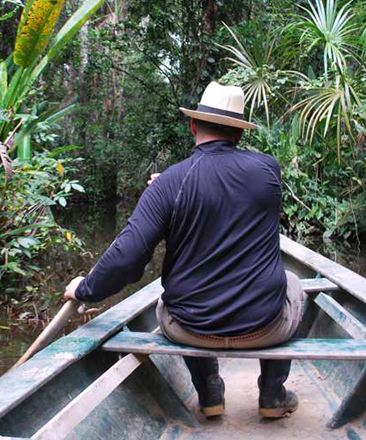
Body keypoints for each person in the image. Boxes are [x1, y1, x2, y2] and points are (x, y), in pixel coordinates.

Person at [64, 81, 304, 419]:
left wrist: (85, 289)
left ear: (193, 124)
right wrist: (173, 184)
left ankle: (209, 394)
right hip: (264, 326)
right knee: (292, 283)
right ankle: (272, 395)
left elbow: (127, 257)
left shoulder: (169, 184)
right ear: (239, 134)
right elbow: (225, 185)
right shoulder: (267, 171)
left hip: (190, 329)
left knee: (166, 299)